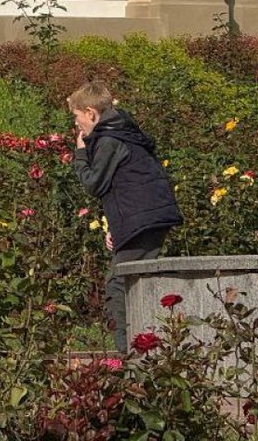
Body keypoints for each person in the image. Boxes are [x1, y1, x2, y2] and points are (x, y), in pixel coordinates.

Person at [67, 81, 183, 353]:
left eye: (77, 117)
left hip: (144, 220)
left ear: (91, 113)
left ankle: (130, 354)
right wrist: (119, 227)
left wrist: (81, 153)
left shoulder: (109, 139)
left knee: (118, 285)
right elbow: (126, 186)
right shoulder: (122, 133)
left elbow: (94, 184)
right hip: (143, 218)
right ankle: (144, 348)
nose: (77, 125)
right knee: (131, 282)